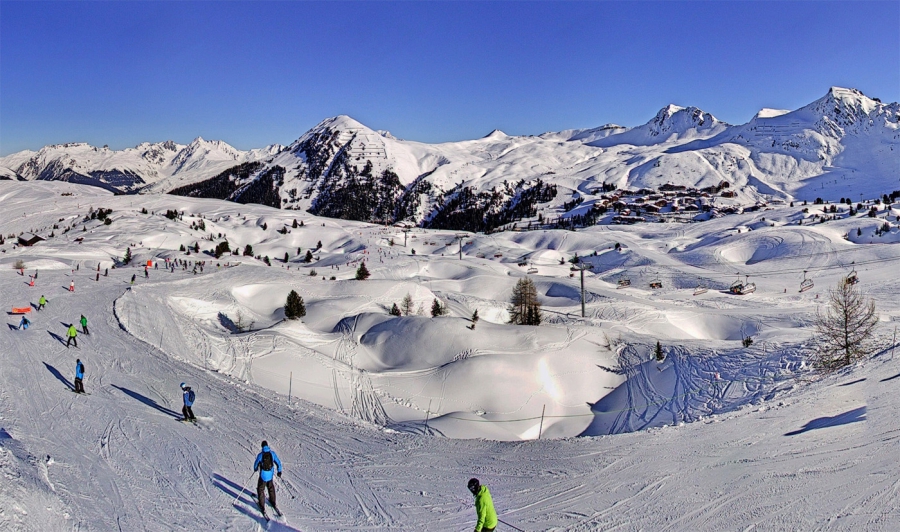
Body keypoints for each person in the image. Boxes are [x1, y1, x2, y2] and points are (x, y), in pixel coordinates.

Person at [253, 440, 283, 518]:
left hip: (263, 476)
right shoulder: (272, 454)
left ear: (262, 447)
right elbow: (278, 462)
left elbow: (256, 464)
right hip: (270, 475)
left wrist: (255, 469)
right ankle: (273, 501)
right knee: (271, 487)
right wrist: (279, 471)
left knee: (260, 489)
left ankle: (262, 505)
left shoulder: (260, 455)